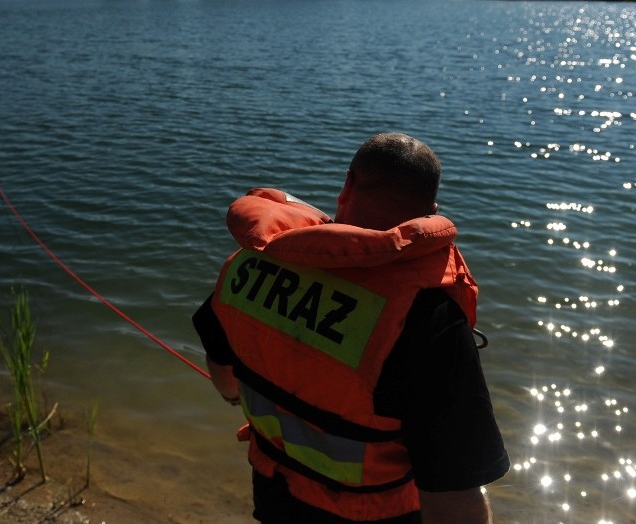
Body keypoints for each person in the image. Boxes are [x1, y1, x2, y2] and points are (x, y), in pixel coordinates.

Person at [192, 132, 509, 523]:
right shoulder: (426, 316)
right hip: (374, 513)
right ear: (428, 213)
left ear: (347, 186)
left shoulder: (249, 264)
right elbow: (453, 504)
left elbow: (225, 377)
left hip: (277, 492)